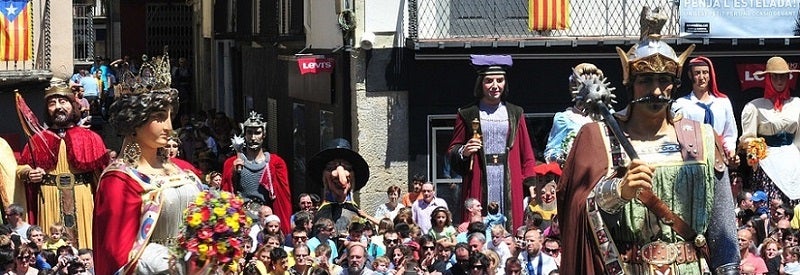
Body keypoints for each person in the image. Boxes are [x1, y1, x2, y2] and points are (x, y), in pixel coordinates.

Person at [557, 8, 739, 274]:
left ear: (675, 83)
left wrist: (729, 269)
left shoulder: (702, 136)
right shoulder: (599, 137)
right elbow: (575, 210)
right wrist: (616, 193)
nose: (656, 90)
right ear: (630, 82)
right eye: (646, 80)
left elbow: (722, 227)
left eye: (664, 80)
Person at [93, 51, 205, 274]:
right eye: (159, 117)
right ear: (135, 120)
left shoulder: (184, 171)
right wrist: (179, 266)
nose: (169, 127)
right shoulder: (120, 181)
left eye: (171, 116)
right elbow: (117, 254)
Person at [447, 54, 537, 230]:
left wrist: (531, 183)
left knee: (511, 229)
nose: (495, 86)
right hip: (479, 176)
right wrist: (463, 151)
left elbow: (526, 152)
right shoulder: (467, 113)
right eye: (489, 80)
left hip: (509, 177)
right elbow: (453, 148)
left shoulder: (515, 113)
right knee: (478, 228)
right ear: (480, 83)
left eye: (500, 80)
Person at [17, 83, 110, 249]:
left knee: (85, 246)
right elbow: (21, 168)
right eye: (52, 103)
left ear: (72, 105)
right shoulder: (38, 139)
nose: (58, 107)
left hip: (82, 199)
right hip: (49, 198)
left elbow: (105, 176)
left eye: (63, 101)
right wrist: (28, 173)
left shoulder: (90, 138)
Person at [740, 56, 800, 205]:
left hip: (793, 161)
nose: (779, 81)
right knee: (771, 203)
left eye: (783, 77)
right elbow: (748, 138)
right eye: (775, 77)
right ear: (768, 78)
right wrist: (755, 150)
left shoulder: (797, 104)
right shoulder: (755, 106)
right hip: (769, 162)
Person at [222, 111, 291, 234]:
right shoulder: (231, 163)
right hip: (241, 221)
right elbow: (226, 193)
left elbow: (283, 199)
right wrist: (233, 172)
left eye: (257, 133)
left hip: (267, 223)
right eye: (249, 133)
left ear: (263, 134)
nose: (253, 138)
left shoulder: (276, 163)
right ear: (244, 134)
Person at [673, 56, 739, 166]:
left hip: (719, 160)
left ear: (710, 75)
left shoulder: (722, 102)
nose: (702, 77)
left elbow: (729, 133)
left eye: (705, 72)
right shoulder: (681, 104)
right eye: (697, 73)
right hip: (692, 160)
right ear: (690, 75)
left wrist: (731, 151)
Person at [543, 63, 605, 165]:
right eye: (586, 87)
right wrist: (561, 157)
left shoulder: (608, 116)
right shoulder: (565, 118)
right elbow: (551, 152)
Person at [308, 138, 369, 233]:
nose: (340, 175)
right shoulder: (321, 214)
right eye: (331, 168)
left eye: (347, 168)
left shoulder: (357, 213)